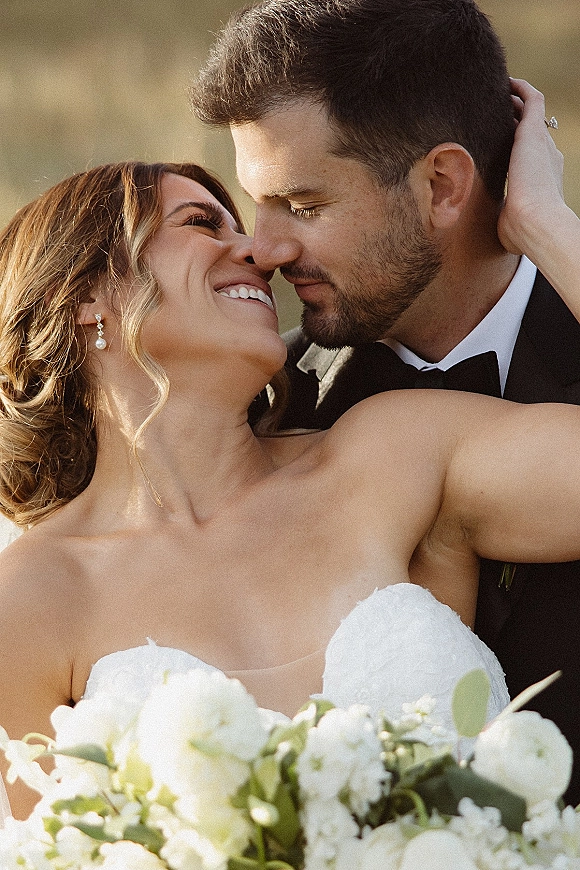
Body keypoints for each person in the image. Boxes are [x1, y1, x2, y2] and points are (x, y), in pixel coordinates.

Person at [0, 88, 578, 821]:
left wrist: (544, 225)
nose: (258, 253)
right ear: (86, 296)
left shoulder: (392, 453)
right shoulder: (30, 599)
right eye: (200, 223)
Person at [190, 0, 580, 803]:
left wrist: (547, 225)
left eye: (302, 205)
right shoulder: (272, 413)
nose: (262, 249)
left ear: (443, 185)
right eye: (254, 202)